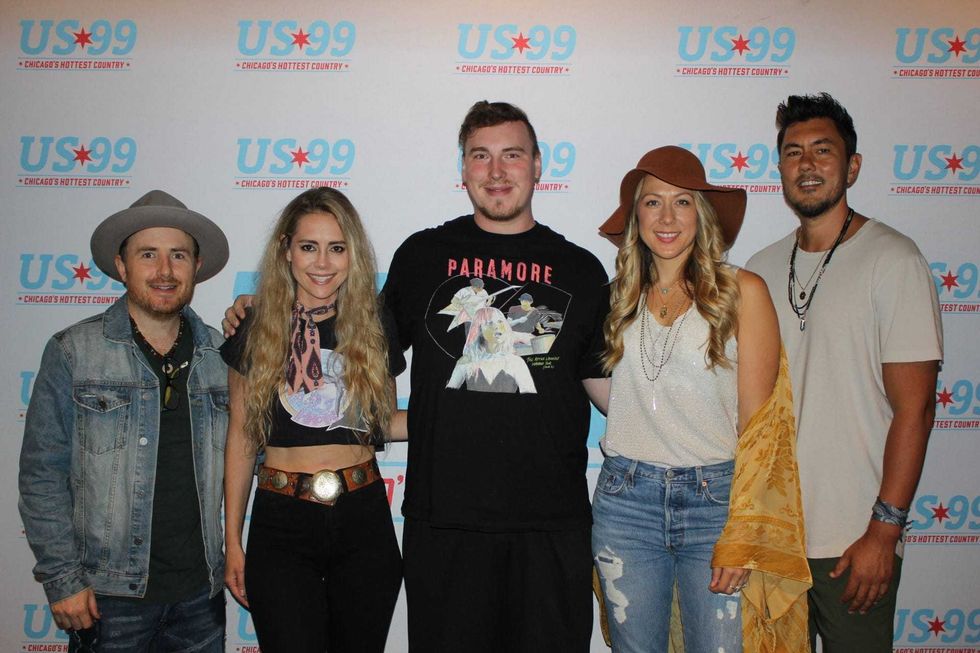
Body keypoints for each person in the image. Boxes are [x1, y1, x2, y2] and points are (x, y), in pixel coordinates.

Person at [745, 92, 943, 652]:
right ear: (780, 169)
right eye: (793, 152)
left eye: (822, 150)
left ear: (852, 166)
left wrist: (884, 529)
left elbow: (916, 409)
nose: (807, 164)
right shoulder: (758, 270)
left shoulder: (894, 260)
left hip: (854, 542)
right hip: (771, 538)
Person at [592, 146, 785, 651]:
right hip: (626, 502)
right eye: (652, 202)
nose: (667, 217)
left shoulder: (743, 291)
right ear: (636, 216)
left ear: (702, 214)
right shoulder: (614, 298)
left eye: (682, 202)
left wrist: (744, 527)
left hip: (715, 504)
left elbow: (760, 427)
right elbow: (604, 388)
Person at [19, 190, 230, 652]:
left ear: (196, 266)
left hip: (201, 597)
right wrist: (62, 578)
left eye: (178, 255)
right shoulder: (74, 352)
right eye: (148, 254)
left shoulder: (222, 356)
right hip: (107, 599)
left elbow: (255, 454)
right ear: (121, 266)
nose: (164, 270)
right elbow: (42, 475)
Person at [220, 187, 405, 652]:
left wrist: (465, 416)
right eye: (309, 246)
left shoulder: (374, 322)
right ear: (286, 249)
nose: (322, 262)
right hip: (281, 522)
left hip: (363, 517)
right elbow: (241, 437)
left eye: (337, 248)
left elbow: (381, 422)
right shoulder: (253, 325)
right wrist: (232, 540)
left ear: (352, 254)